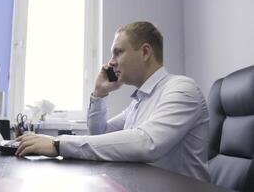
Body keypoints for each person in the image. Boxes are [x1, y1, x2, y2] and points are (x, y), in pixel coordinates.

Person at [16, 21, 210, 182]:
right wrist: (99, 94)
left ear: (145, 52)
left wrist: (59, 144)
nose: (111, 62)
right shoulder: (139, 101)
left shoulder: (182, 89)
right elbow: (100, 133)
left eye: (118, 52)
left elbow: (147, 143)